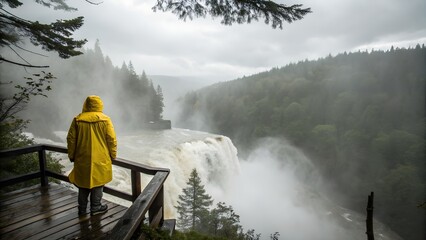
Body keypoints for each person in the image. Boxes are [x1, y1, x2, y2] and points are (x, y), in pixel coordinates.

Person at [67, 95, 117, 216]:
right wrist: (113, 155)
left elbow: (71, 139)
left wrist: (71, 155)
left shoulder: (77, 119)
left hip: (82, 157)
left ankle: (82, 209)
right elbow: (111, 139)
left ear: (86, 104)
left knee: (83, 184)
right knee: (98, 183)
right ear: (100, 105)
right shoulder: (106, 120)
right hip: (101, 157)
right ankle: (95, 207)